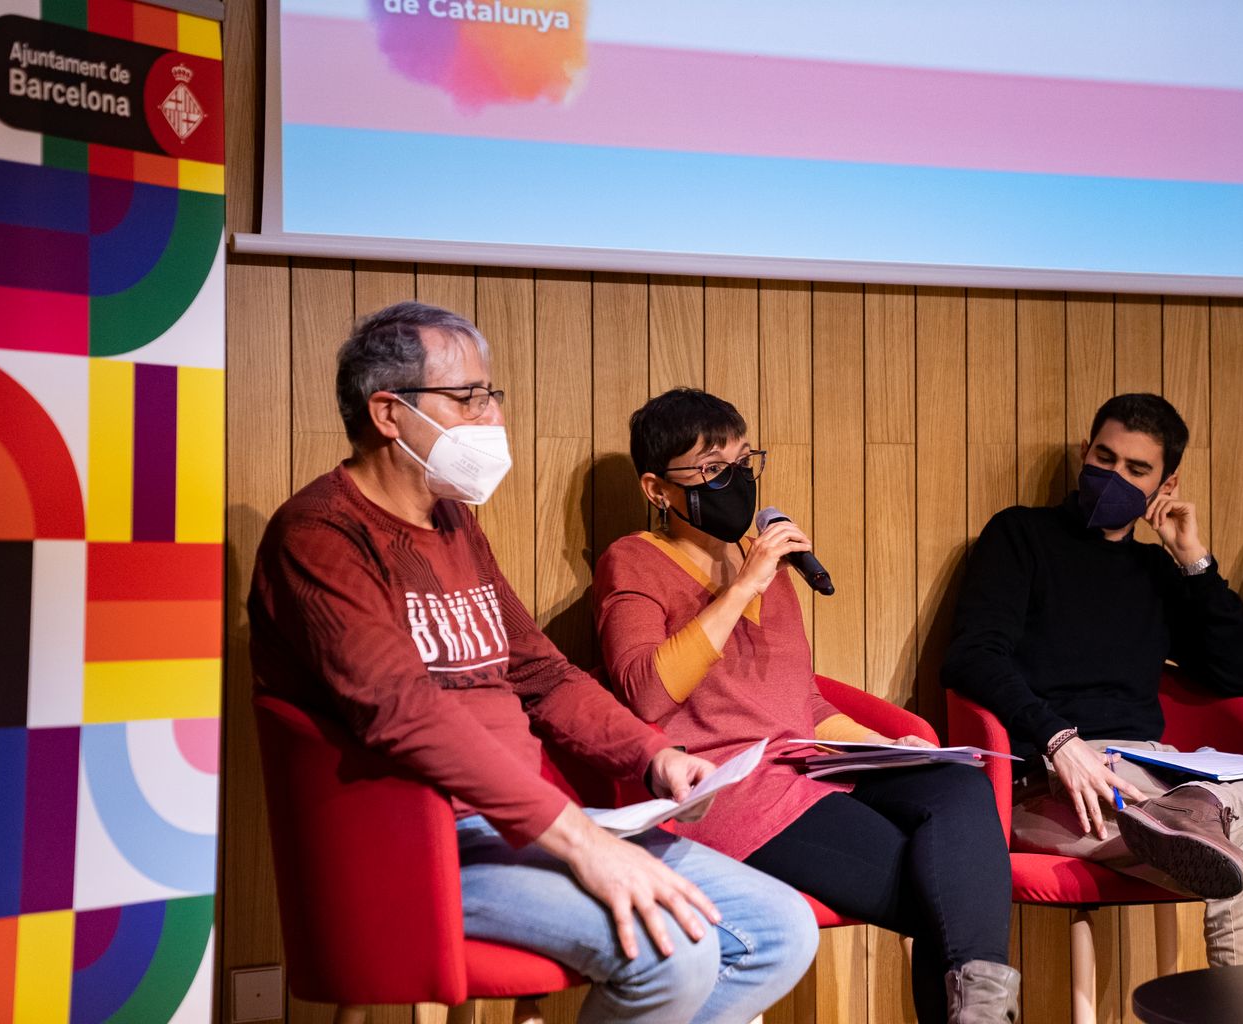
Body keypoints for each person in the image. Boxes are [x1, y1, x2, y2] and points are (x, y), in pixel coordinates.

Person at [248, 303, 817, 1024]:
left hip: (520, 828)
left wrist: (654, 756)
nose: (492, 417)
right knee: (672, 954)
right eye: (468, 398)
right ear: (389, 414)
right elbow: (404, 715)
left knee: (780, 932)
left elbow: (541, 674)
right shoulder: (320, 534)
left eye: (491, 395)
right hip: (420, 842)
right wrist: (578, 840)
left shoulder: (453, 522)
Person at [593, 388, 1018, 1024]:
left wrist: (883, 746)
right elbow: (644, 690)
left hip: (813, 767)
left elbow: (803, 701)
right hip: (733, 790)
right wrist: (745, 585)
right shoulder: (633, 561)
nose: (736, 480)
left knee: (958, 785)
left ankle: (978, 1012)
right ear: (657, 489)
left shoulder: (764, 563)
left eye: (743, 461)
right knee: (952, 892)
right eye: (712, 469)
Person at [945, 392, 1243, 966]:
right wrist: (1059, 739)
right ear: (1085, 451)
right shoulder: (1021, 535)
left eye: (1136, 469)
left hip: (1166, 774)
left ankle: (1208, 803)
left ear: (1166, 485)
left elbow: (1240, 673)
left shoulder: (1158, 572)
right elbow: (973, 656)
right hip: (1059, 779)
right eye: (1104, 458)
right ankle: (1207, 817)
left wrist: (1194, 560)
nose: (1114, 477)